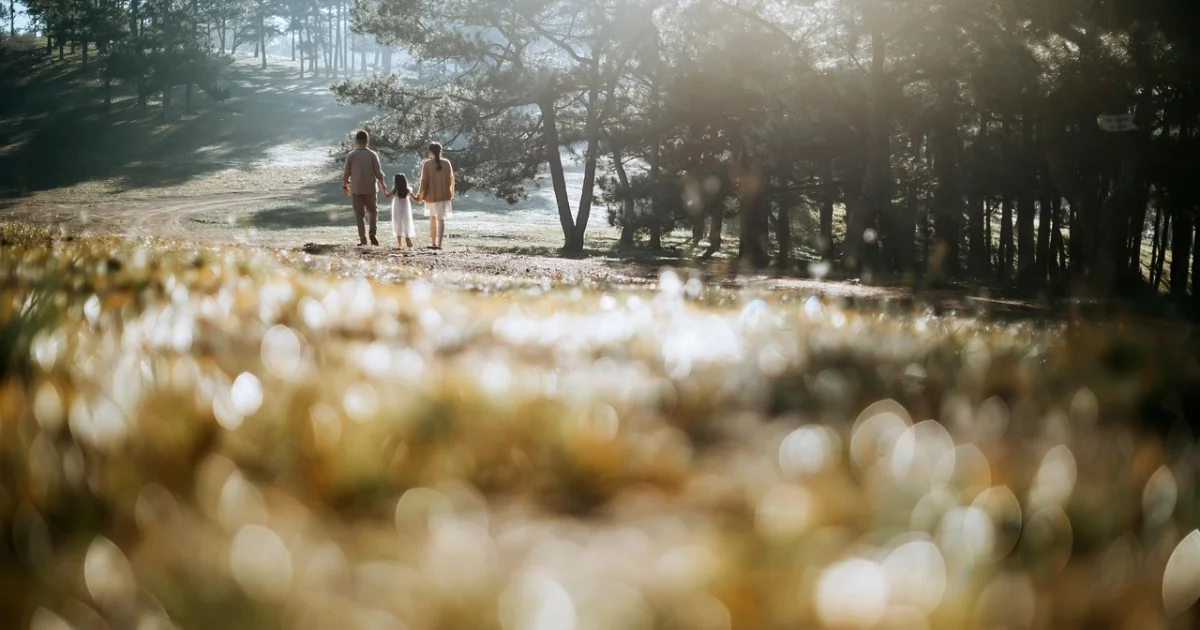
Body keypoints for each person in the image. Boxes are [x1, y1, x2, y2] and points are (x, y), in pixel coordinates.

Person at [341, 130, 386, 246]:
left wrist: (345, 185)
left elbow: (346, 173)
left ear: (356, 141)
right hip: (370, 188)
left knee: (359, 215)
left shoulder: (351, 155)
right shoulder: (372, 155)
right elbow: (378, 173)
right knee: (373, 211)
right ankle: (372, 232)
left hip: (356, 189)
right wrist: (382, 184)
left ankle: (363, 239)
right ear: (367, 142)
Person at [416, 142, 454, 250]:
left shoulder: (427, 164)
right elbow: (451, 179)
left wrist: (420, 195)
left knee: (432, 218)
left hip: (431, 196)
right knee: (441, 219)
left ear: (430, 152)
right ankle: (439, 244)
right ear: (440, 151)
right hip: (443, 195)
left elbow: (424, 182)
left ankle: (433, 243)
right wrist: (449, 193)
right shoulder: (446, 163)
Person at [384, 173, 418, 249]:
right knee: (407, 223)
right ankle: (407, 237)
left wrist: (383, 188)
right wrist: (421, 196)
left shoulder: (395, 190)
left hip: (397, 209)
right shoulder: (407, 190)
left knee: (397, 224)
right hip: (406, 209)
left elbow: (386, 196)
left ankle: (399, 243)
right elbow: (415, 199)